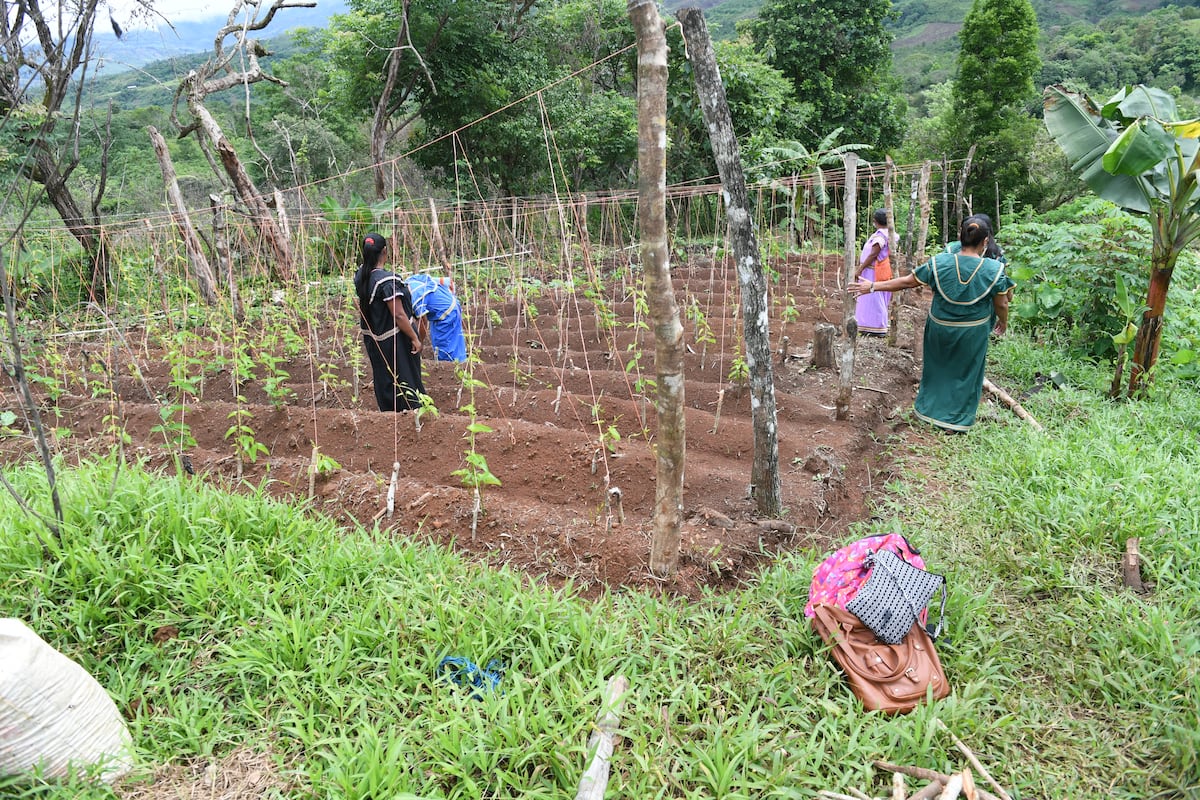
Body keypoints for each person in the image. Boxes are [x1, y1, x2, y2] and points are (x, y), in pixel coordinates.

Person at [849, 216, 1014, 433]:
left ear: (959, 237)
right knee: (966, 373)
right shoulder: (993, 269)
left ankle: (929, 413)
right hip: (972, 332)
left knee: (938, 369)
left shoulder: (939, 262)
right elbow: (1002, 302)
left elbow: (907, 281)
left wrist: (872, 286)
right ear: (985, 242)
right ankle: (957, 421)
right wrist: (1003, 321)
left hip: (939, 328)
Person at [353, 232, 425, 412]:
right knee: (406, 376)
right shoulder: (387, 281)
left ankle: (387, 413)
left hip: (374, 338)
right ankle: (411, 413)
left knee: (384, 376)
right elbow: (399, 315)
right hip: (395, 340)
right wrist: (415, 338)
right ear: (384, 251)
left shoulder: (361, 275)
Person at [406, 272, 468, 362]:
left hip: (446, 312)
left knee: (445, 345)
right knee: (453, 341)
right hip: (447, 302)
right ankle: (461, 363)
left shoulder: (415, 297)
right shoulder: (409, 281)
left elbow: (423, 323)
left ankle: (451, 366)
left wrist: (419, 342)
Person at [853, 209, 895, 336]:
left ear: (875, 221)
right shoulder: (887, 234)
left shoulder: (880, 236)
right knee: (870, 298)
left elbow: (873, 254)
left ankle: (876, 327)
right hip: (876, 270)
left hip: (873, 272)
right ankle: (867, 326)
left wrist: (859, 269)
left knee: (874, 297)